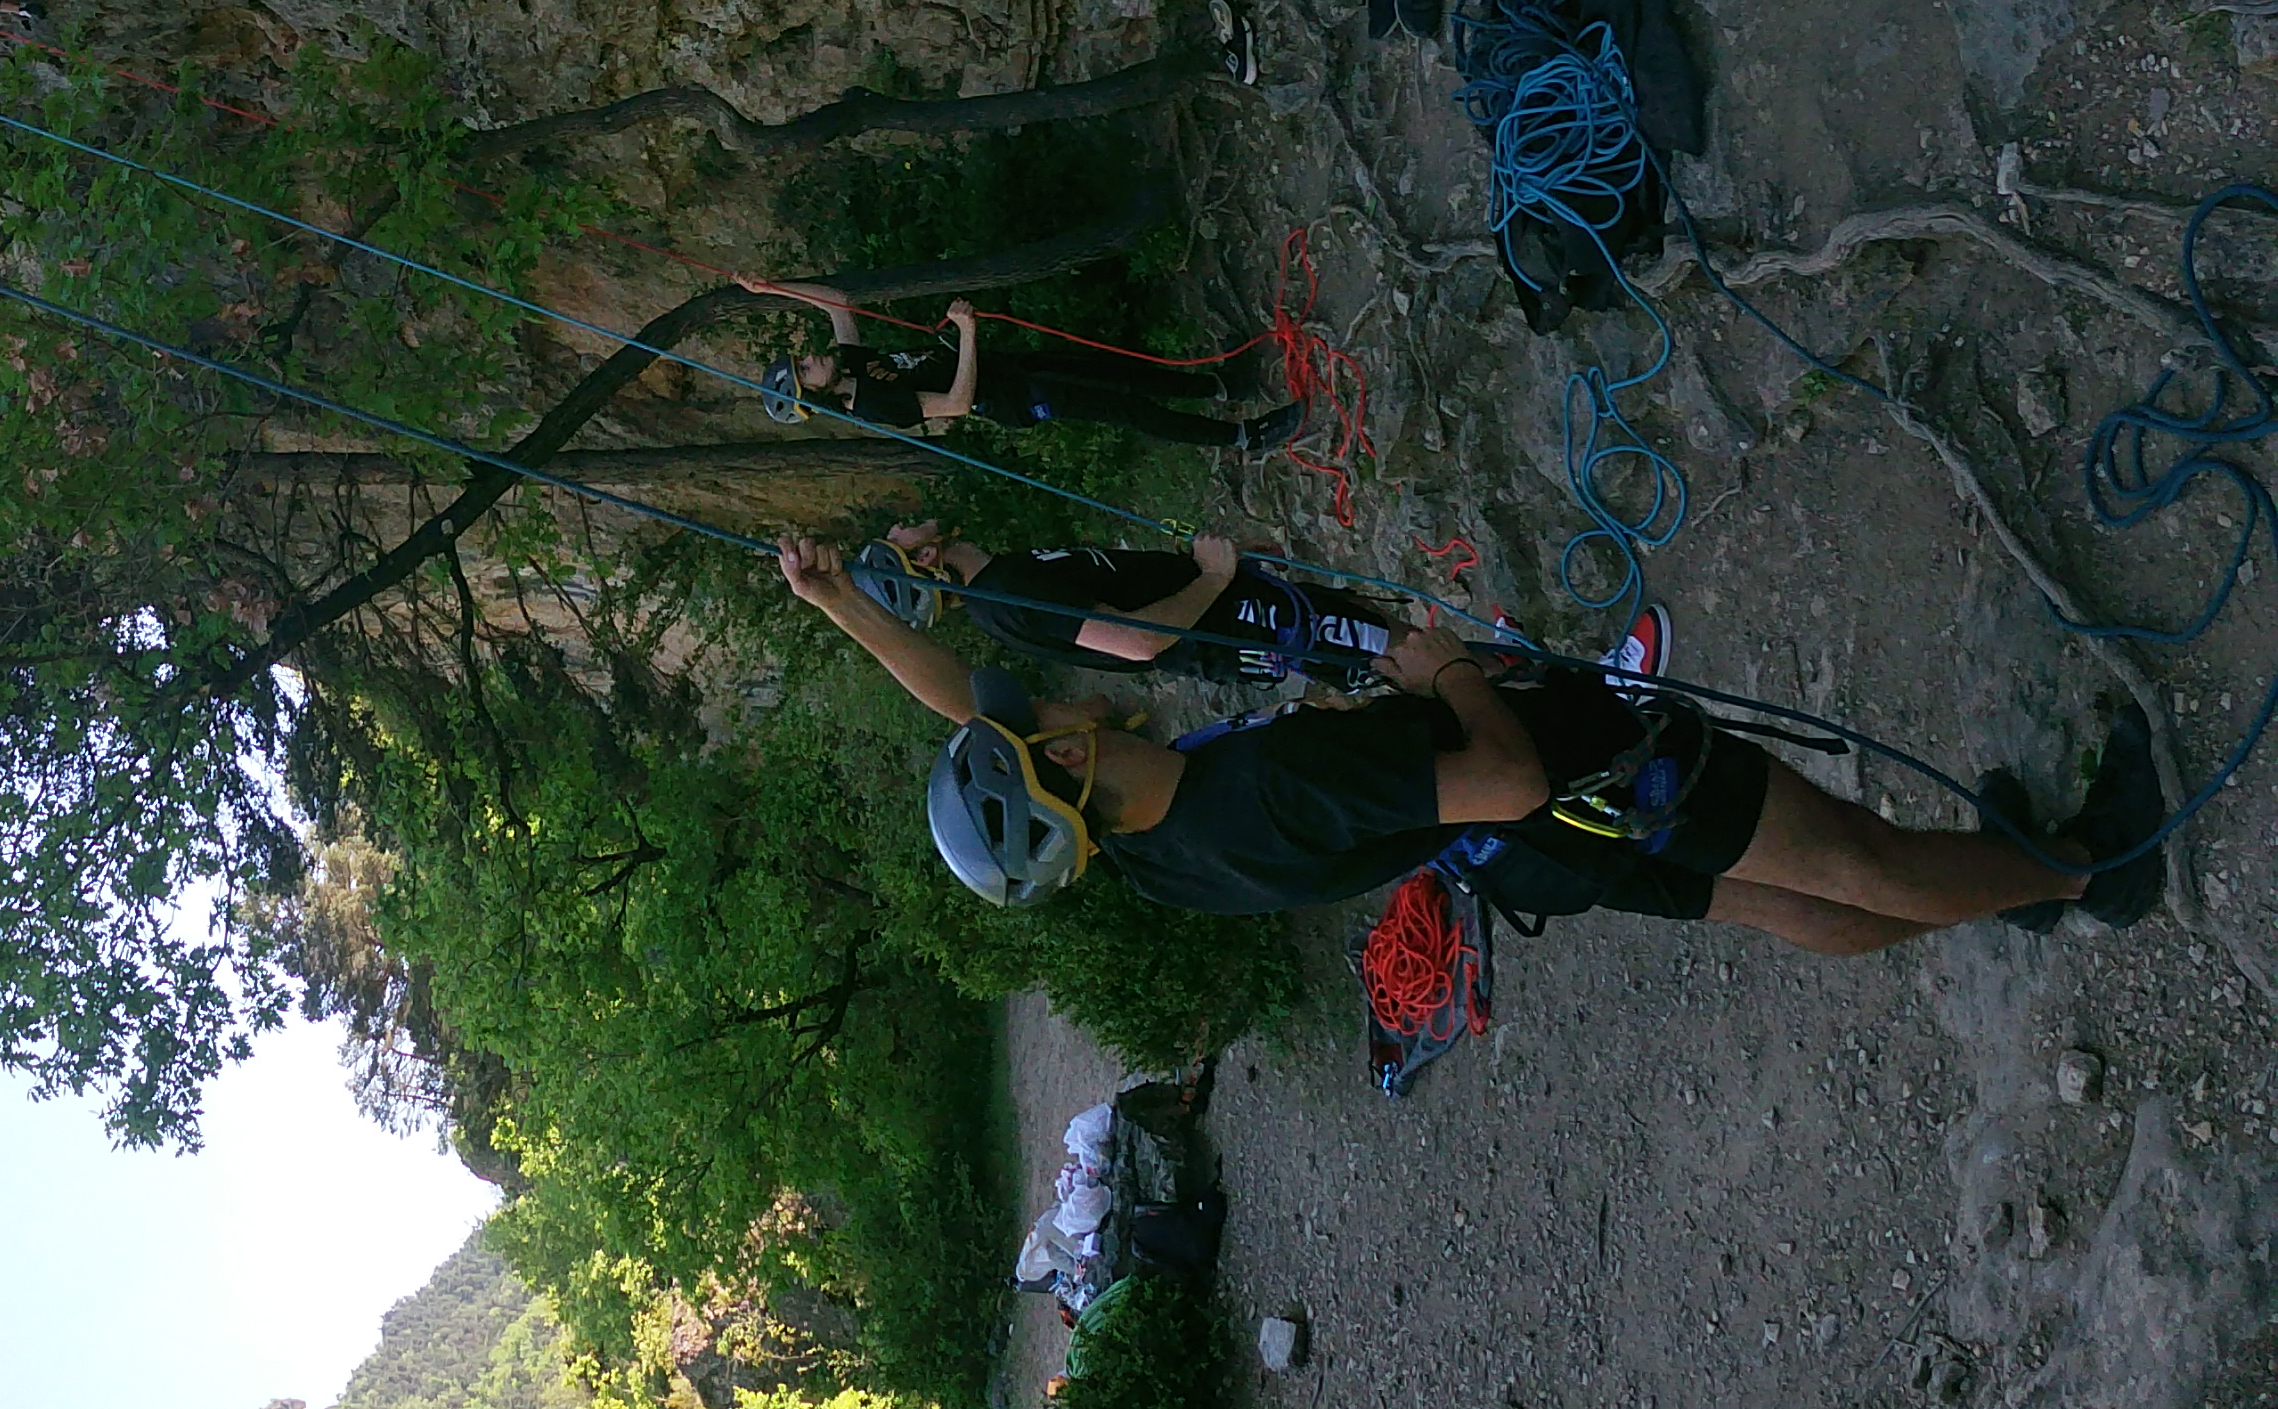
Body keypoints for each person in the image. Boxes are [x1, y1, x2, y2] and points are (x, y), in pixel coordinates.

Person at [772, 533, 2168, 955]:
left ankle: (1997, 875)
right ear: (1069, 767)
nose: (1050, 702)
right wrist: (1447, 676)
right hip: (1581, 794)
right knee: (1850, 857)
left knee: (1774, 905)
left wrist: (845, 607)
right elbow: (1503, 769)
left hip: (1537, 865)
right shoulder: (1272, 784)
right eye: (1047, 726)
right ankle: (2078, 875)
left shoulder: (1150, 853)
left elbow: (967, 705)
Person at [739, 280, 1303, 452]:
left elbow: (839, 300)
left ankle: (1220, 383)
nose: (813, 357)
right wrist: (967, 336)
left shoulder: (851, 364)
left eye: (803, 357)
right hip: (1010, 398)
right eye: (805, 368)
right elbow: (956, 406)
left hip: (1009, 368)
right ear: (814, 395)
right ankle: (1242, 436)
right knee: (1124, 408)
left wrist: (772, 288)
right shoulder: (875, 405)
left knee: (1113, 371)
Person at [853, 516, 1397, 689]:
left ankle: (1476, 669)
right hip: (1247, 624)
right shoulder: (1008, 595)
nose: (900, 524)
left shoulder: (1002, 582)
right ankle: (1478, 677)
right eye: (895, 536)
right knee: (1393, 649)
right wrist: (1213, 577)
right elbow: (1138, 642)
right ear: (923, 557)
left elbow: (1129, 591)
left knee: (1375, 630)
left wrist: (1206, 568)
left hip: (1237, 608)